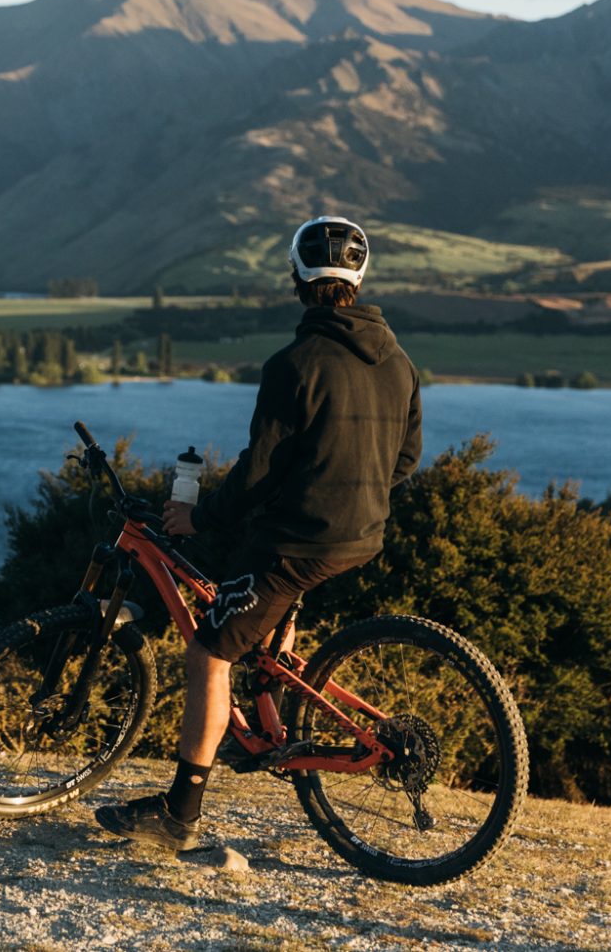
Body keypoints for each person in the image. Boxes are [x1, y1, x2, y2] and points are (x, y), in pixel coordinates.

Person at [94, 215, 422, 851]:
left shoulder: (293, 363)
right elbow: (403, 462)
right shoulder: (399, 361)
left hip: (301, 542)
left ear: (296, 279)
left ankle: (180, 812)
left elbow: (256, 472)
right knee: (256, 609)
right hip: (361, 534)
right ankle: (268, 707)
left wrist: (200, 516)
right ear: (360, 278)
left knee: (209, 651)